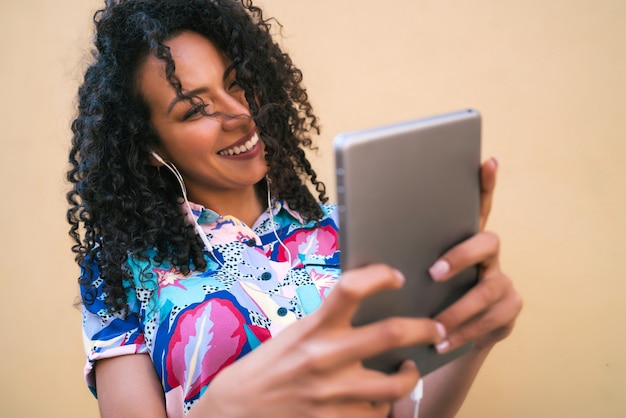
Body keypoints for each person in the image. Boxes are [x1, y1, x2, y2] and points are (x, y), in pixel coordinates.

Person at [66, 0, 522, 417]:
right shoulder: (121, 273)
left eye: (236, 83)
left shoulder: (351, 229)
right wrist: (221, 409)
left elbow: (404, 409)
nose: (241, 115)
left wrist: (476, 335)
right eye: (195, 110)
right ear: (148, 146)